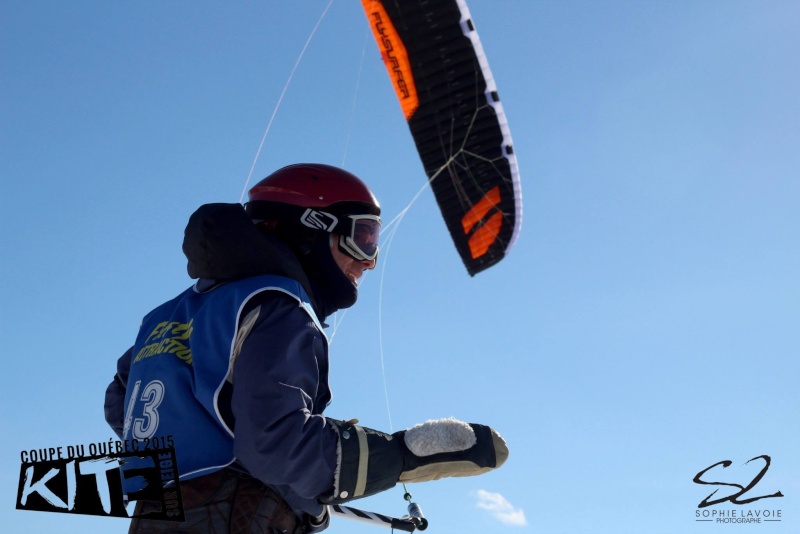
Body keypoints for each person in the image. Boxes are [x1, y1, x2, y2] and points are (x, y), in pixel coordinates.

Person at [104, 163, 508, 533]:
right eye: (363, 237)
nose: (369, 261)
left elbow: (122, 401)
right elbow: (277, 443)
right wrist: (405, 456)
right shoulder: (279, 307)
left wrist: (291, 491)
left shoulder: (165, 317)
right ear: (311, 229)